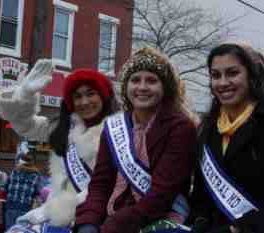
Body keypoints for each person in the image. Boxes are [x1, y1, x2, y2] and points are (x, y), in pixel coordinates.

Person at [74, 47, 199, 233]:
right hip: (114, 216)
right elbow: (100, 185)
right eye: (135, 80)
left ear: (165, 87)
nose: (142, 87)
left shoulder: (181, 127)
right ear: (126, 87)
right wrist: (88, 223)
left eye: (151, 80)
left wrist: (113, 227)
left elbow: (161, 195)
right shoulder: (114, 127)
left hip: (162, 219)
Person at [189, 43, 264, 233]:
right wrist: (200, 221)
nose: (222, 82)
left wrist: (238, 230)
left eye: (232, 73)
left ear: (251, 75)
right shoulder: (209, 126)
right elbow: (201, 194)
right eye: (215, 75)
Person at [0, 60, 118, 230]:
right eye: (77, 96)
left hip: (97, 219)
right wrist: (25, 94)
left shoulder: (120, 131)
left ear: (103, 96)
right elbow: (25, 125)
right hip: (55, 216)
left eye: (91, 94)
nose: (84, 102)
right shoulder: (64, 128)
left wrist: (52, 211)